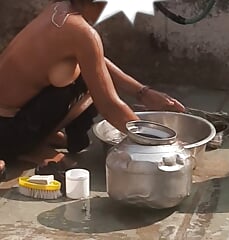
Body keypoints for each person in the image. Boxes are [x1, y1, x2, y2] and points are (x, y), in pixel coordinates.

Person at [0, 0, 185, 180]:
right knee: (90, 86)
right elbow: (109, 105)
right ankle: (31, 147)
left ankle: (41, 137)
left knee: (85, 75)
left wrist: (142, 92)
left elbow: (97, 60)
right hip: (8, 134)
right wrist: (160, 145)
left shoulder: (59, 8)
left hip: (7, 121)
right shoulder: (82, 33)